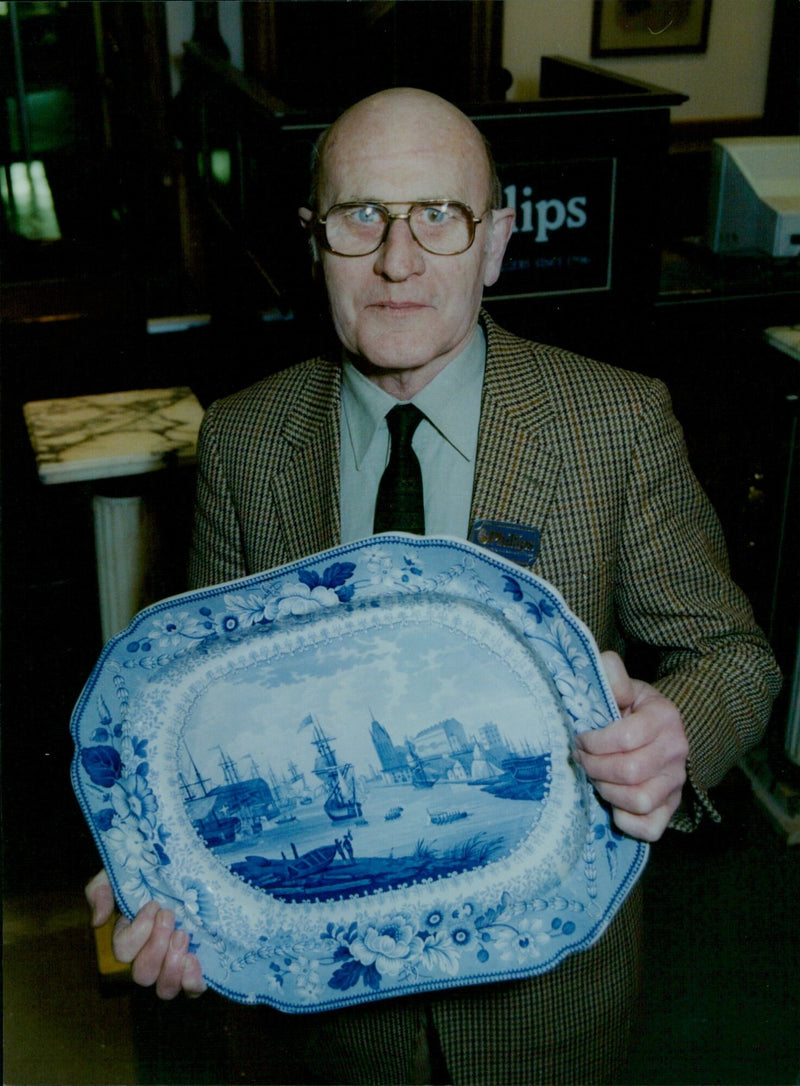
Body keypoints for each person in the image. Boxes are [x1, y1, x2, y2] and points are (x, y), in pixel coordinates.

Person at [87, 87, 781, 1084]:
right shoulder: (244, 441)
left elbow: (736, 656)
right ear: (312, 240)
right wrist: (168, 883)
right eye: (359, 216)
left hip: (548, 1013)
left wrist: (675, 734)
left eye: (437, 218)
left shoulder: (614, 424)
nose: (397, 260)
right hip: (320, 1037)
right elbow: (209, 713)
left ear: (495, 242)